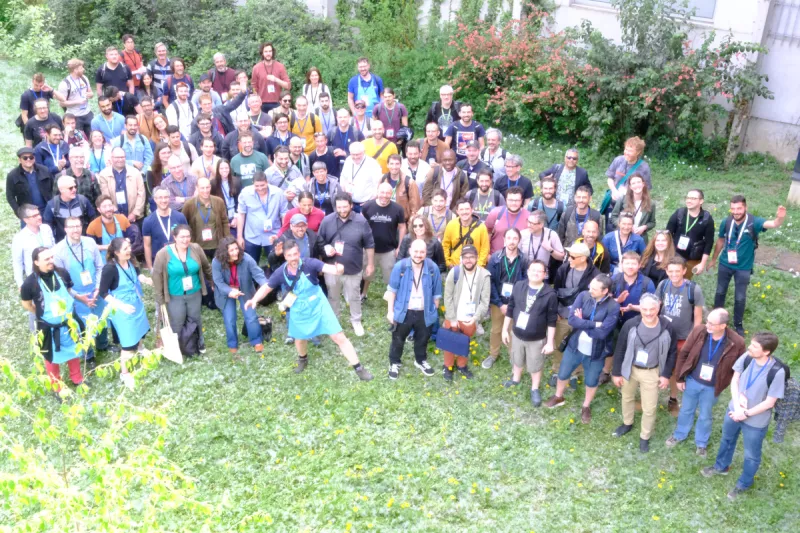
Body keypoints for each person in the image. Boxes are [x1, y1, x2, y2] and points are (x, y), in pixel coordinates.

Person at [246, 239, 373, 379]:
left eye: (295, 254)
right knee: (299, 339)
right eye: (289, 255)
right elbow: (266, 287)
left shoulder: (310, 263)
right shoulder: (280, 272)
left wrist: (339, 269)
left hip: (319, 305)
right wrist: (254, 299)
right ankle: (302, 359)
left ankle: (359, 368)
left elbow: (329, 269)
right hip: (298, 308)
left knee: (338, 336)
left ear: (299, 253)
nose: (293, 258)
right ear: (285, 256)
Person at [701, 331, 786, 500]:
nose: (749, 347)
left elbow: (770, 402)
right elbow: (735, 379)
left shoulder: (777, 372)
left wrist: (745, 413)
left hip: (755, 421)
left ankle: (744, 483)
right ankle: (721, 466)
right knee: (727, 439)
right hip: (734, 411)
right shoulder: (747, 357)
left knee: (751, 454)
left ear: (766, 351)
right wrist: (737, 403)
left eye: (755, 346)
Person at [666, 309, 745, 457]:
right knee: (686, 410)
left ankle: (701, 443)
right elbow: (684, 353)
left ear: (723, 326)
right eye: (707, 321)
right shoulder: (699, 331)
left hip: (712, 387)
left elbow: (739, 369)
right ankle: (679, 434)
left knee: (705, 415)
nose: (707, 325)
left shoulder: (737, 342)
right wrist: (679, 378)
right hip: (692, 380)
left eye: (711, 323)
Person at [544, 273, 620, 423]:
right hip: (575, 346)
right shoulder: (583, 296)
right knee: (563, 372)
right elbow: (572, 320)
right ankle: (559, 396)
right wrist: (594, 324)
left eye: (594, 289)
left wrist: (582, 322)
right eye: (590, 286)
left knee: (591, 380)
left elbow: (603, 332)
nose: (590, 290)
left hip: (596, 352)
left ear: (605, 291)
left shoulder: (613, 306)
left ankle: (586, 406)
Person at [710, 196, 785, 336]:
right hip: (725, 263)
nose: (736, 212)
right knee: (720, 291)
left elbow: (773, 224)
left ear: (745, 207)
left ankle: (738, 325)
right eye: (733, 208)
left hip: (743, 267)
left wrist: (779, 218)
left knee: (740, 297)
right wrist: (714, 259)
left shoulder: (753, 222)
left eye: (739, 208)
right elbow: (720, 241)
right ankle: (716, 318)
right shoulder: (726, 222)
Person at [611, 293, 678, 452]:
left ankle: (644, 436)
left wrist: (665, 375)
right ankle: (627, 423)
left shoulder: (667, 327)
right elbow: (620, 348)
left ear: (658, 307)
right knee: (627, 398)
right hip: (630, 369)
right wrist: (616, 372)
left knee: (649, 407)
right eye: (645, 309)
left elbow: (672, 353)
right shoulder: (630, 324)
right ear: (640, 308)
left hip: (652, 372)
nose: (648, 313)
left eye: (652, 309)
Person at [20, 247, 85, 392]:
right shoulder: (30, 283)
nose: (51, 261)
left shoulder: (62, 273)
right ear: (36, 262)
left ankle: (77, 378)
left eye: (51, 257)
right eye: (47, 259)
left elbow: (68, 291)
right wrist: (41, 313)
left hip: (69, 323)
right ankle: (57, 387)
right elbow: (26, 304)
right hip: (48, 328)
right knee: (50, 357)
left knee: (74, 350)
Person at [317, 193, 375, 337]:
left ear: (350, 205)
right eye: (339, 207)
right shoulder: (327, 221)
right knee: (333, 295)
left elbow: (369, 243)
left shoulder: (361, 221)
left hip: (353, 268)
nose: (342, 210)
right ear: (335, 207)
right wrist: (325, 250)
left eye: (345, 206)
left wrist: (370, 264)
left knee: (354, 295)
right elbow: (319, 241)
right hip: (332, 268)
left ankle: (356, 320)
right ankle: (334, 321)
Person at [501, 260, 557, 407]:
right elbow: (511, 308)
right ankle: (516, 379)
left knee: (535, 364)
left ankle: (535, 388)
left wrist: (550, 342)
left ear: (545, 274)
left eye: (540, 271)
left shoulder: (550, 294)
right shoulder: (519, 286)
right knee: (517, 358)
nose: (536, 273)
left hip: (536, 338)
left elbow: (552, 320)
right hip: (517, 334)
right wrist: (504, 329)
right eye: (533, 270)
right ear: (527, 272)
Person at [98, 237, 152, 388]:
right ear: (116, 252)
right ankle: (125, 373)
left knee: (141, 329)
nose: (129, 250)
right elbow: (103, 293)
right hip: (121, 307)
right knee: (128, 343)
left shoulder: (130, 260)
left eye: (129, 247)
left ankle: (141, 348)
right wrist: (121, 306)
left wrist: (144, 279)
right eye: (125, 249)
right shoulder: (110, 269)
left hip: (135, 303)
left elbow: (136, 273)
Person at [152, 224, 213, 356]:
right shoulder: (163, 254)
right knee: (177, 322)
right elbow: (156, 276)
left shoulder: (195, 248)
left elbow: (206, 266)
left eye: (188, 236)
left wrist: (212, 282)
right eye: (182, 237)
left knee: (195, 319)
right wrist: (160, 297)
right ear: (174, 237)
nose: (185, 240)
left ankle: (198, 344)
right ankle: (178, 348)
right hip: (174, 295)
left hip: (194, 292)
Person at [386, 239, 443, 379]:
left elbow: (437, 293)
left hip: (425, 312)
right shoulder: (400, 267)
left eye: (422, 252)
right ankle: (394, 362)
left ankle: (420, 360)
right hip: (404, 311)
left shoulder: (432, 268)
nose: (418, 254)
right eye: (416, 251)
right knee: (398, 338)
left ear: (426, 253)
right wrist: (390, 311)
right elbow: (391, 291)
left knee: (422, 338)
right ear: (410, 251)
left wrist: (433, 310)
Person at [52, 216, 107, 356]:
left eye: (78, 226)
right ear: (65, 229)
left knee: (101, 317)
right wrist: (78, 296)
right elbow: (61, 282)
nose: (75, 230)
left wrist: (98, 288)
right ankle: (88, 354)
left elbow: (100, 267)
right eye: (71, 227)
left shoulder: (90, 242)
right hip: (77, 296)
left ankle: (103, 344)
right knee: (82, 325)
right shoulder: (58, 251)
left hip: (95, 290)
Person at [656, 256, 705, 415]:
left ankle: (673, 397)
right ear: (666, 271)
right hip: (664, 334)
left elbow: (698, 318)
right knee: (662, 364)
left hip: (683, 338)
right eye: (671, 271)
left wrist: (693, 340)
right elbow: (656, 307)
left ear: (684, 271)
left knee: (677, 369)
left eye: (678, 271)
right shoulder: (663, 285)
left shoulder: (693, 290)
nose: (674, 274)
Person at [548, 242, 600, 384]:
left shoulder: (595, 275)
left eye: (572, 256)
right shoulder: (563, 269)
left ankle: (575, 372)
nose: (568, 259)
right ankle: (557, 370)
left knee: (578, 345)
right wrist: (557, 311)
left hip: (582, 318)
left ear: (583, 258)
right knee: (560, 342)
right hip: (564, 314)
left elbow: (597, 299)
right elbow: (556, 291)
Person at [441, 244, 490, 379]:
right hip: (454, 316)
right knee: (449, 343)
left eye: (472, 257)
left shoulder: (485, 276)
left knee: (465, 343)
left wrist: (475, 318)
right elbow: (448, 296)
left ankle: (462, 365)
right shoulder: (454, 272)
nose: (468, 260)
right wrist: (452, 318)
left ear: (477, 258)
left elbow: (484, 302)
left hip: (471, 318)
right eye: (465, 257)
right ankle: (448, 366)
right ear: (461, 258)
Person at [212, 237, 267, 355]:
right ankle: (232, 344)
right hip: (226, 292)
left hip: (245, 289)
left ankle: (256, 340)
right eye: (231, 250)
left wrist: (265, 285)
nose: (235, 252)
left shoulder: (246, 258)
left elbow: (258, 273)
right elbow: (218, 281)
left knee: (250, 316)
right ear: (224, 252)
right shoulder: (217, 262)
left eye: (236, 249)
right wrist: (229, 291)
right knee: (229, 318)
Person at [484, 228, 529, 369]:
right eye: (509, 238)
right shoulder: (495, 258)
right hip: (498, 302)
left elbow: (527, 284)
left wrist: (514, 304)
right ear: (504, 239)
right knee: (496, 329)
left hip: (515, 304)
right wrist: (498, 303)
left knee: (513, 330)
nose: (512, 241)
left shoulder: (524, 260)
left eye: (515, 238)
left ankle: (513, 355)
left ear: (519, 241)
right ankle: (493, 354)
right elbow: (490, 282)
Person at [361, 182, 406, 299]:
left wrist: (400, 246)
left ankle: (392, 297)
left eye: (388, 193)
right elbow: (360, 225)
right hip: (369, 249)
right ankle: (363, 294)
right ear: (377, 192)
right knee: (366, 274)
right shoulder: (367, 207)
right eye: (382, 192)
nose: (385, 195)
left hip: (389, 249)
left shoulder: (398, 209)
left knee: (390, 276)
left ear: (392, 194)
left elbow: (402, 227)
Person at [237, 172, 289, 264]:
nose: (260, 188)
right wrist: (240, 237)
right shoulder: (245, 193)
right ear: (252, 183)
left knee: (276, 264)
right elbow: (241, 214)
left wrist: (284, 235)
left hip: (273, 235)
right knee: (251, 264)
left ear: (267, 182)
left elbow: (284, 214)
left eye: (262, 185)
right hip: (252, 236)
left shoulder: (278, 193)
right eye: (257, 186)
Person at [666, 188, 715, 279]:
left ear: (701, 201)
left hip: (693, 257)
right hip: (675, 254)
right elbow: (667, 234)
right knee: (671, 279)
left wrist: (702, 264)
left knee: (684, 282)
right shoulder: (679, 213)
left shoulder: (707, 219)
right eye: (688, 198)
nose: (689, 200)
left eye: (693, 198)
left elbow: (709, 243)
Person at [602, 136, 652, 223]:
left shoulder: (644, 167)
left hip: (631, 204)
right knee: (611, 226)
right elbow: (610, 178)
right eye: (626, 149)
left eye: (630, 151)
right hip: (613, 201)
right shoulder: (618, 160)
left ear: (638, 152)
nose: (627, 153)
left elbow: (646, 188)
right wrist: (613, 190)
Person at [182, 177, 231, 258]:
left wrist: (227, 241)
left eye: (207, 187)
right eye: (202, 188)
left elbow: (225, 222)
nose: (205, 190)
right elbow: (183, 225)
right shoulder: (189, 204)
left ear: (210, 187)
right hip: (197, 246)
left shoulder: (219, 202)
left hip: (217, 245)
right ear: (197, 188)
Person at [142, 186, 188, 270]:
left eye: (166, 197)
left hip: (179, 260)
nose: (163, 200)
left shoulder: (180, 217)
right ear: (155, 199)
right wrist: (150, 267)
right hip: (159, 262)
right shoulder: (148, 221)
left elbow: (187, 239)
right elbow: (147, 245)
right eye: (160, 198)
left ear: (169, 198)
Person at [97, 147, 146, 224]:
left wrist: (135, 213)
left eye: (122, 157)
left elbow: (141, 194)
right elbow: (106, 196)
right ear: (111, 158)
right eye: (117, 157)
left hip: (134, 218)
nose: (120, 160)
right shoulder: (104, 174)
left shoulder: (135, 173)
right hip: (113, 217)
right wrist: (116, 214)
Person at [12, 205, 56, 289]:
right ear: (25, 220)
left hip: (52, 272)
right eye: (34, 216)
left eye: (39, 214)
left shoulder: (46, 229)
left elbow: (53, 248)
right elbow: (17, 263)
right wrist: (20, 283)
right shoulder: (19, 238)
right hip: (35, 278)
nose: (39, 217)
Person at [43, 175, 95, 241]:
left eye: (75, 187)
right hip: (62, 242)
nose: (74, 190)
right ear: (61, 190)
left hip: (83, 240)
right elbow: (47, 227)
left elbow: (93, 220)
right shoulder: (52, 205)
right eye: (70, 188)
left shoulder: (83, 201)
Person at [442, 197, 490, 268]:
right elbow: (445, 245)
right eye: (461, 209)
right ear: (457, 211)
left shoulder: (481, 227)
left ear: (472, 210)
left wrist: (479, 266)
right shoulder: (451, 224)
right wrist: (448, 262)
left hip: (475, 267)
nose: (464, 212)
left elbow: (485, 249)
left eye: (467, 209)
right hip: (455, 266)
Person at [7, 147, 53, 217]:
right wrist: (18, 211)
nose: (28, 159)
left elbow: (54, 189)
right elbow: (10, 196)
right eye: (25, 158)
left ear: (34, 158)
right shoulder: (12, 175)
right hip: (27, 214)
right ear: (20, 160)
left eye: (31, 157)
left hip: (46, 210)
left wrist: (53, 206)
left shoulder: (44, 170)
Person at [339, 141, 383, 211]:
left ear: (364, 152)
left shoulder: (373, 164)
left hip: (365, 204)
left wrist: (370, 201)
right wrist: (344, 189)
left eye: (358, 154)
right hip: (350, 202)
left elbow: (378, 184)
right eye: (353, 154)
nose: (355, 157)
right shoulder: (348, 160)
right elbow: (343, 176)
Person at [54, 58, 94, 136]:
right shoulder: (64, 84)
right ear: (75, 70)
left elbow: (91, 92)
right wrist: (78, 102)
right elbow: (62, 104)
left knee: (92, 137)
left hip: (87, 113)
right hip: (74, 117)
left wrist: (90, 94)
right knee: (78, 139)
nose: (83, 69)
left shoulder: (84, 78)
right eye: (81, 68)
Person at [484, 187, 529, 254]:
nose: (513, 203)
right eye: (510, 200)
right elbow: (486, 234)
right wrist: (487, 254)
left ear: (521, 200)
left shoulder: (528, 217)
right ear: (506, 200)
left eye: (517, 200)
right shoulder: (496, 213)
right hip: (496, 257)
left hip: (518, 259)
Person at [610, 174, 655, 239]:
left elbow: (652, 222)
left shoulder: (651, 203)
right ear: (630, 187)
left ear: (643, 184)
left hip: (640, 238)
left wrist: (644, 227)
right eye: (633, 183)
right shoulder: (622, 199)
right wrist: (626, 226)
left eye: (638, 182)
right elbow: (614, 217)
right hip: (623, 236)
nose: (636, 185)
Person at [86, 195, 131, 260]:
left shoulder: (122, 219)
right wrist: (106, 247)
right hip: (104, 262)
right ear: (99, 210)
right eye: (104, 207)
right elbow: (90, 247)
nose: (108, 209)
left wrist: (127, 241)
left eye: (110, 205)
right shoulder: (92, 226)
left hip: (124, 258)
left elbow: (131, 237)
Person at [251, 42, 291, 112]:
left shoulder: (280, 66)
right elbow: (254, 87)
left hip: (277, 103)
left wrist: (276, 79)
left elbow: (288, 86)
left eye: (270, 51)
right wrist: (256, 99)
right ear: (262, 53)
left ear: (273, 52)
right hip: (262, 104)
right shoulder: (256, 68)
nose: (268, 53)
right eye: (266, 51)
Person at [380, 154, 420, 222]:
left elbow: (415, 206)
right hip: (385, 219)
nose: (394, 167)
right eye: (391, 164)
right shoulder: (383, 179)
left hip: (401, 221)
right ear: (387, 165)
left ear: (401, 165)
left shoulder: (409, 182)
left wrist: (411, 222)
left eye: (397, 164)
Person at [211, 159, 240, 232]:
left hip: (235, 215)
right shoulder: (213, 184)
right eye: (221, 168)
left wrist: (236, 218)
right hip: (222, 217)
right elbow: (213, 204)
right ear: (218, 169)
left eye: (226, 168)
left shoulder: (236, 181)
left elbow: (240, 201)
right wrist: (223, 221)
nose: (224, 170)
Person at [146, 142, 172, 211]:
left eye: (168, 152)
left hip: (173, 201)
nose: (167, 155)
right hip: (157, 202)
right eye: (163, 153)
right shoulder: (151, 169)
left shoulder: (175, 166)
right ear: (158, 154)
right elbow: (149, 189)